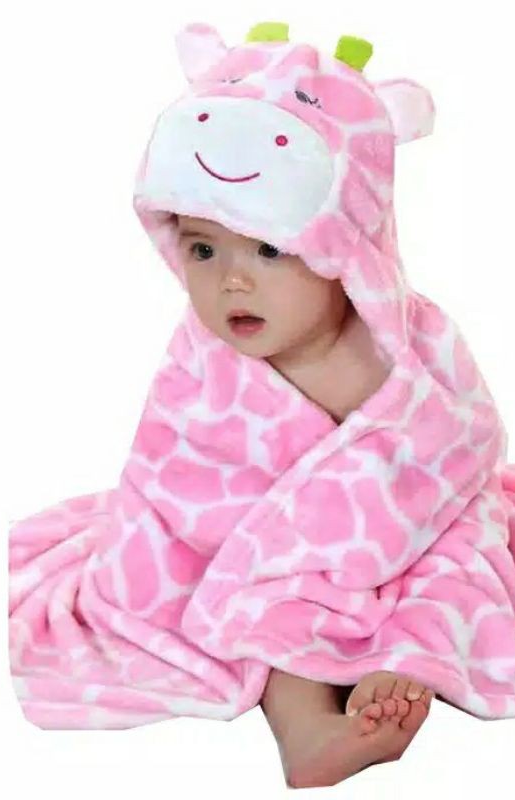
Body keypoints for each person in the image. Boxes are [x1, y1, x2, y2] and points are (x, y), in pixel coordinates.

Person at [176, 211, 434, 786]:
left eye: (268, 250)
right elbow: (182, 477)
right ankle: (307, 730)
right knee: (267, 624)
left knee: (442, 593)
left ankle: (391, 673)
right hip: (279, 564)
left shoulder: (395, 351)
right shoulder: (205, 358)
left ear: (344, 250)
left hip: (402, 543)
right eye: (203, 252)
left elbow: (452, 449)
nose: (232, 281)